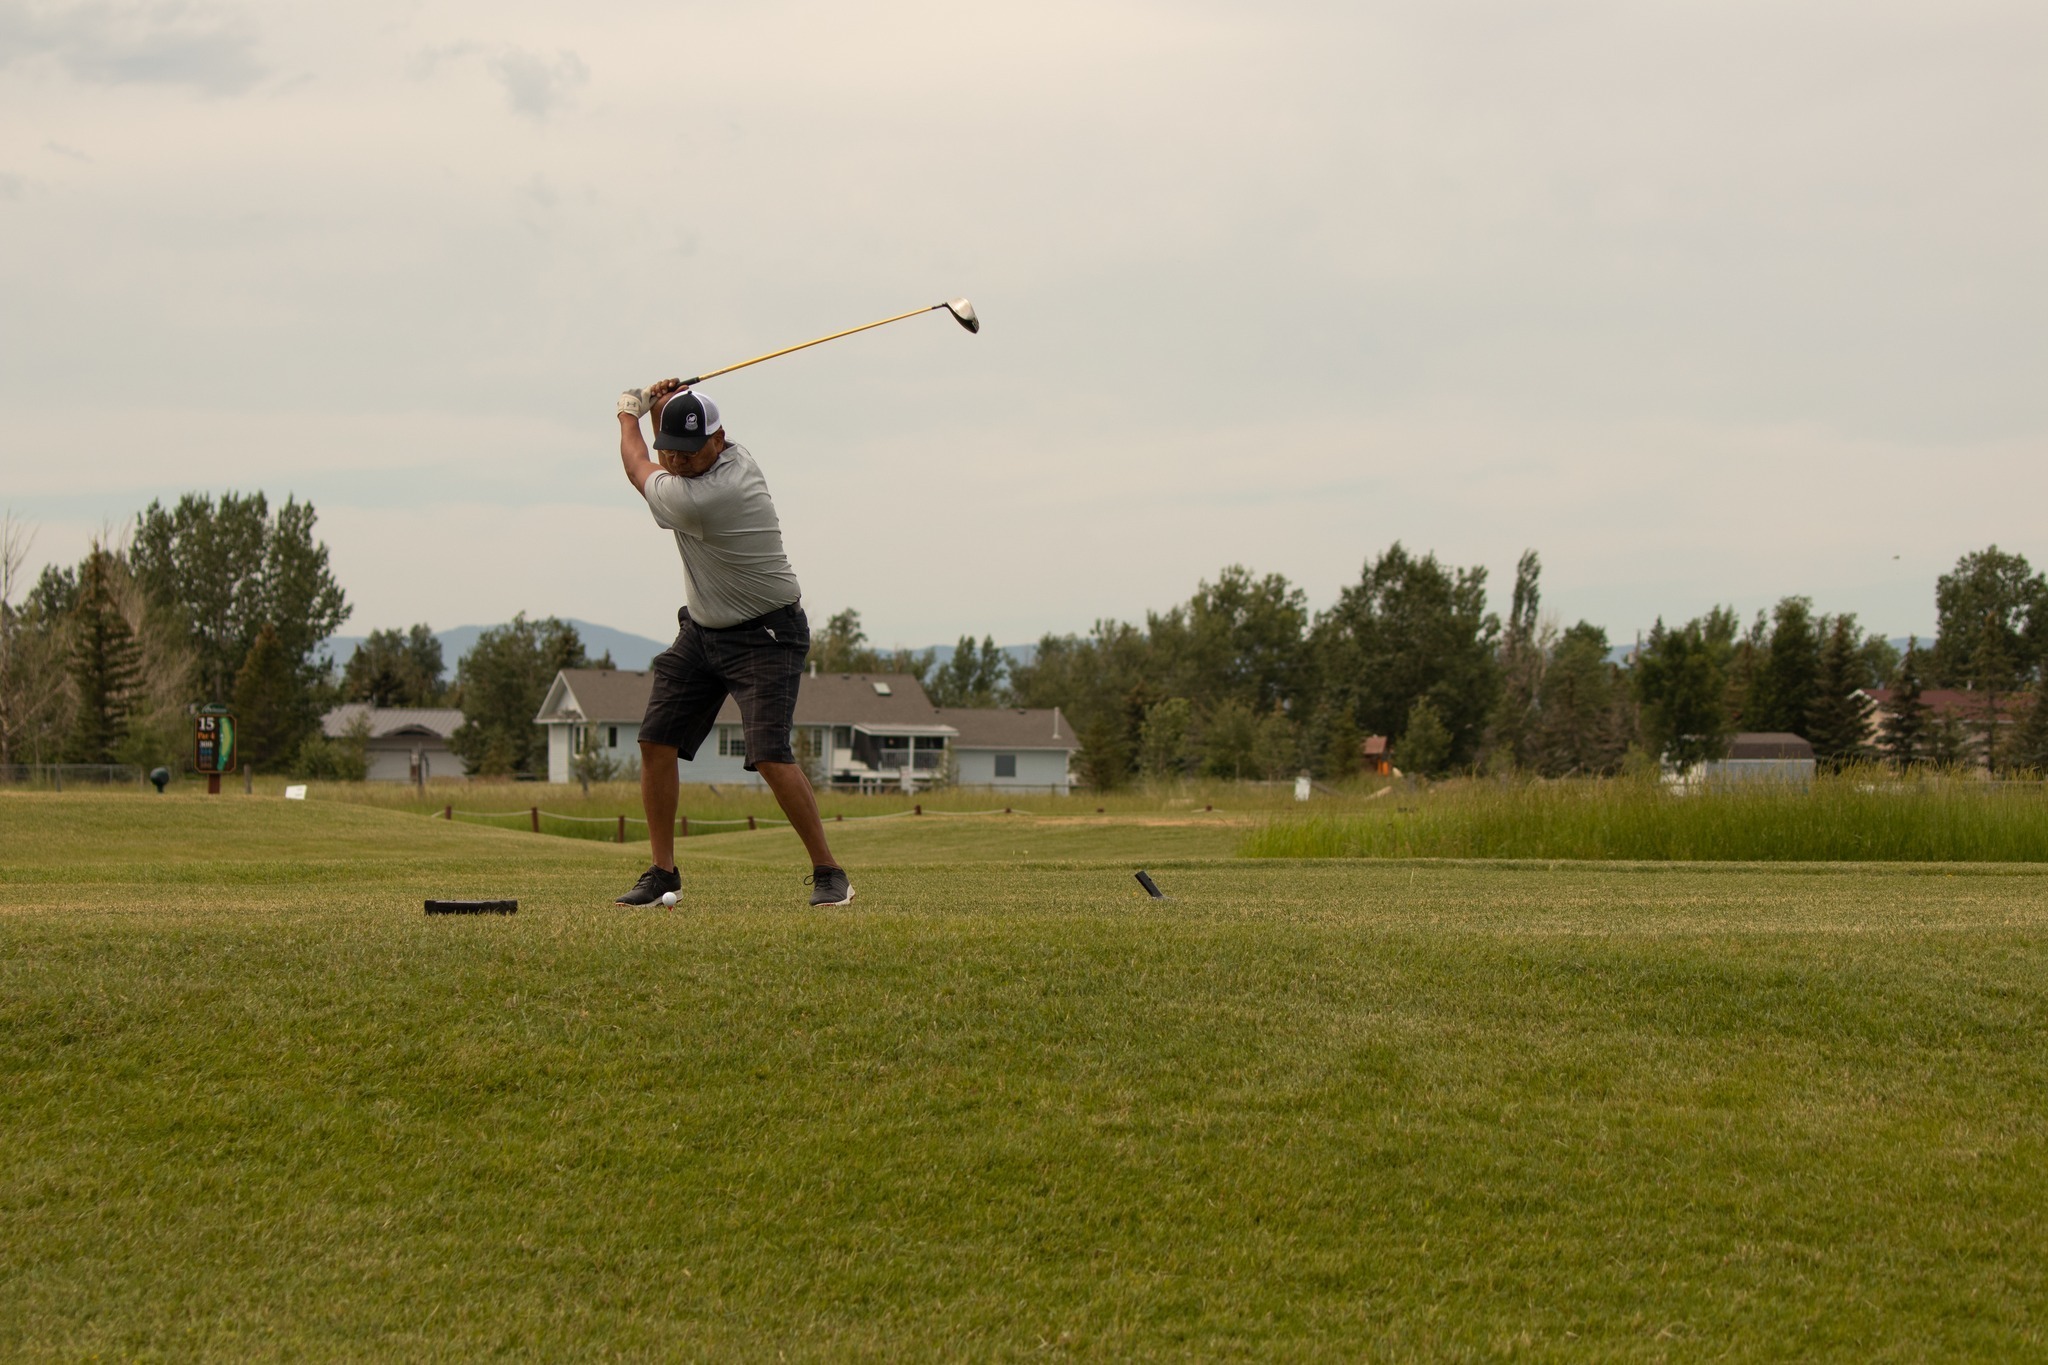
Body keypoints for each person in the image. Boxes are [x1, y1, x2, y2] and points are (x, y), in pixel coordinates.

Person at [611, 377, 852, 908]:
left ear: (719, 441)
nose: (680, 462)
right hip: (703, 630)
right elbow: (665, 453)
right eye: (673, 451)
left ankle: (830, 873)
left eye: (691, 452)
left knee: (768, 754)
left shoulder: (710, 496)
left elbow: (637, 466)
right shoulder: (728, 456)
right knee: (655, 741)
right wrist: (665, 406)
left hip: (766, 634)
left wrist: (630, 410)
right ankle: (663, 873)